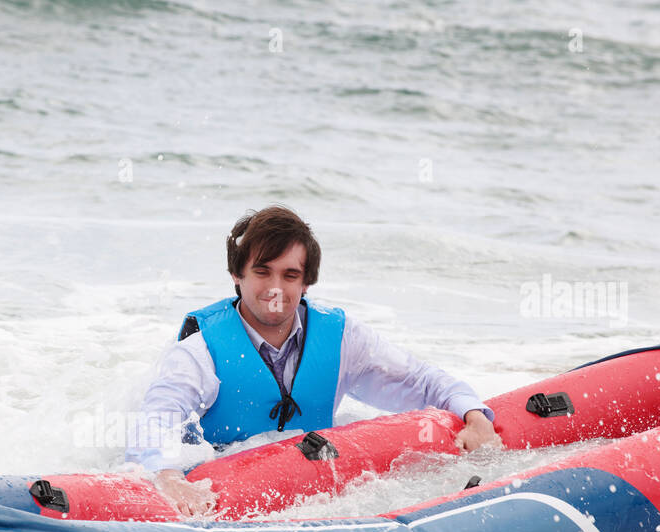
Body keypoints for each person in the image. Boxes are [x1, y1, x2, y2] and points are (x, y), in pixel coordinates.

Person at [125, 205, 501, 516]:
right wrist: (170, 478)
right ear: (237, 275)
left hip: (311, 489)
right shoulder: (200, 351)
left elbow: (418, 380)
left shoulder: (342, 338)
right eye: (262, 271)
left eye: (290, 275)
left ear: (307, 283)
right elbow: (156, 420)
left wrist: (473, 413)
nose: (275, 288)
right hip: (225, 493)